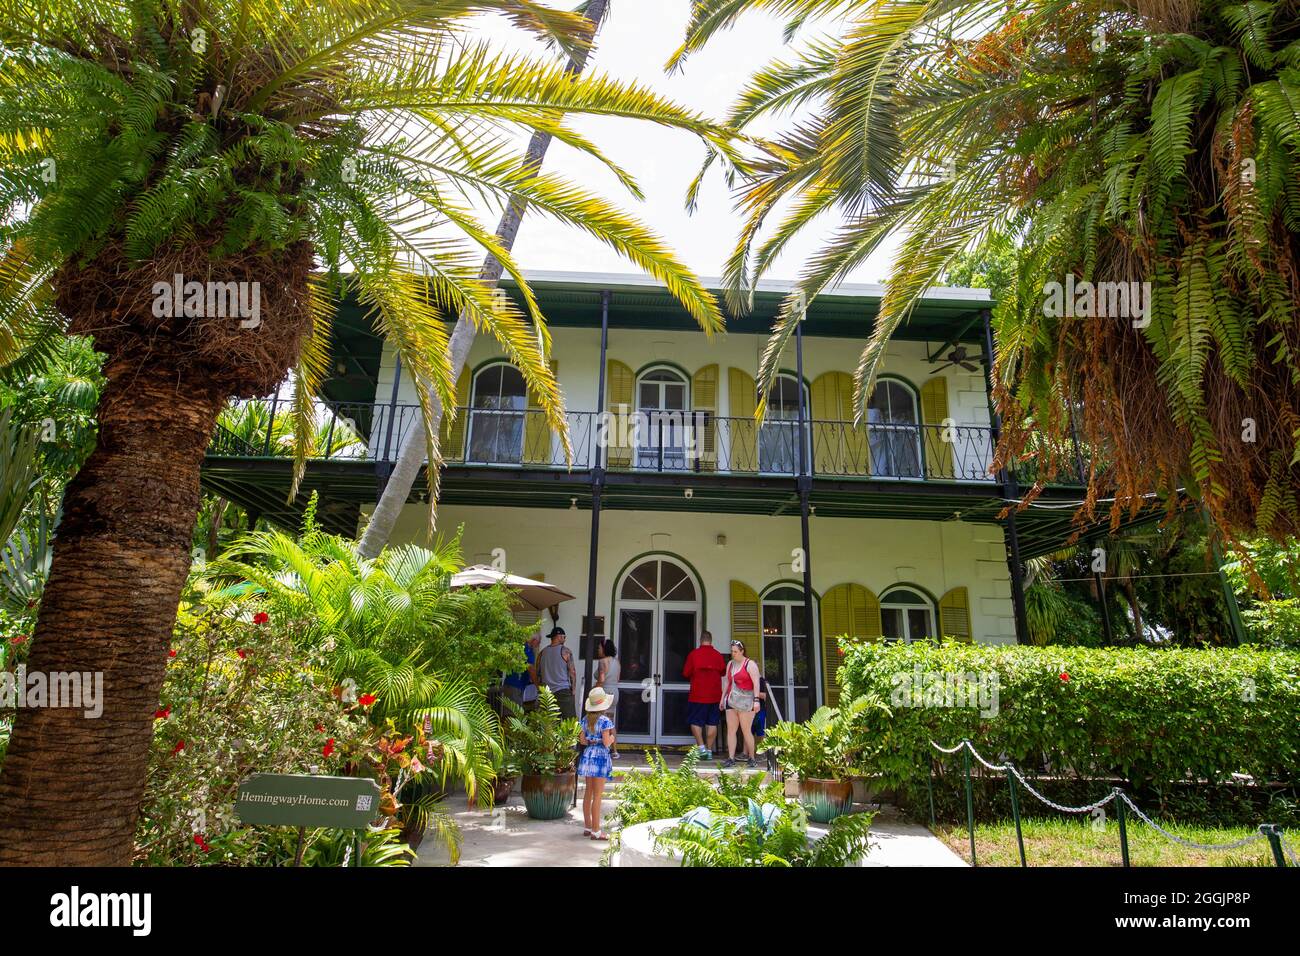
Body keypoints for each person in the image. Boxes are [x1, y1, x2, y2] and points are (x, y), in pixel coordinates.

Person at [577, 687, 616, 840]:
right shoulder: (605, 721)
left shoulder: (585, 720)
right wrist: (612, 739)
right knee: (598, 795)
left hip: (588, 755)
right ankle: (596, 831)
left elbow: (582, 741)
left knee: (588, 792)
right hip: (600, 757)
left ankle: (587, 826)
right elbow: (606, 743)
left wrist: (592, 740)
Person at [682, 630, 726, 760]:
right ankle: (709, 750)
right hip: (715, 695)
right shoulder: (718, 655)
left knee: (696, 721)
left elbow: (685, 673)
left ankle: (701, 748)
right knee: (713, 723)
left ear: (700, 640)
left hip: (698, 695)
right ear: (711, 641)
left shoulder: (694, 655)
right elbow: (723, 672)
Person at [720, 639, 761, 769]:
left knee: (746, 730)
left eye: (736, 651)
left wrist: (756, 700)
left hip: (746, 701)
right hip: (732, 700)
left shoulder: (750, 664)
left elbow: (756, 683)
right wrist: (722, 698)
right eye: (732, 651)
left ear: (742, 651)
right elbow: (727, 682)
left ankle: (752, 757)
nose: (733, 654)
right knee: (731, 730)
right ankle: (731, 758)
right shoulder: (730, 664)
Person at [536, 626, 577, 718]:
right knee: (570, 723)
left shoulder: (542, 653)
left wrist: (540, 690)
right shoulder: (566, 651)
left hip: (547, 694)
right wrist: (573, 690)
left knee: (551, 725)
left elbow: (538, 674)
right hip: (563, 691)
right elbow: (572, 672)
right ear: (559, 636)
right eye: (564, 637)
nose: (565, 639)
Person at [501, 631, 540, 709]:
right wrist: (538, 686)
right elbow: (531, 669)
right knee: (514, 715)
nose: (538, 644)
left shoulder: (523, 648)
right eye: (539, 642)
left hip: (514, 685)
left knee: (512, 714)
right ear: (534, 640)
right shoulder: (526, 650)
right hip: (515, 686)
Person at [595, 639, 621, 759]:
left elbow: (601, 679)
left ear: (604, 649)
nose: (598, 650)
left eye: (599, 648)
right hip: (615, 692)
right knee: (610, 722)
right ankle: (614, 750)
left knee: (599, 721)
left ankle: (603, 748)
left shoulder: (602, 661)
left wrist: (593, 691)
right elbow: (617, 678)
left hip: (604, 692)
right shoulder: (617, 662)